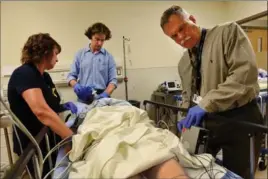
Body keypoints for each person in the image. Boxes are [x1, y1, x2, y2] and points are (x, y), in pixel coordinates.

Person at [160, 5, 263, 179]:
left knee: (239, 174)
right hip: (208, 122)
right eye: (174, 36)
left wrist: (205, 104)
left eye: (182, 29)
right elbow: (187, 94)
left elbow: (244, 75)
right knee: (199, 169)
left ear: (192, 19)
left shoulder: (227, 33)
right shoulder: (184, 63)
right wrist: (185, 115)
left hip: (240, 119)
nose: (181, 38)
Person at [8, 33, 76, 178]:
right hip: (33, 143)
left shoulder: (44, 77)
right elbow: (41, 111)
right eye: (56, 53)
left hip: (48, 140)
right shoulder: (24, 74)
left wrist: (66, 106)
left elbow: (52, 105)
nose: (57, 59)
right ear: (45, 52)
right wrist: (71, 138)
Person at [67, 22, 118, 104]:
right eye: (97, 39)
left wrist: (105, 94)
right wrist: (76, 86)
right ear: (91, 37)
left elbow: (113, 81)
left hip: (102, 99)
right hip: (84, 98)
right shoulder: (80, 54)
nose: (100, 43)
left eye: (102, 40)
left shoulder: (108, 57)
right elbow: (71, 76)